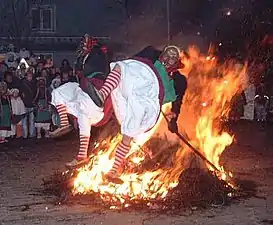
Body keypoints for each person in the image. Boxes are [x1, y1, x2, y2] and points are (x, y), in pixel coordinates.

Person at [51, 36, 187, 180]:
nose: (169, 57)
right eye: (167, 53)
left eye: (173, 56)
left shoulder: (178, 80)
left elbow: (177, 104)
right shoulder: (149, 59)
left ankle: (114, 170)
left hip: (148, 101)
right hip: (128, 95)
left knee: (130, 129)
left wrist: (173, 120)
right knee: (120, 67)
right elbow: (132, 62)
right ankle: (102, 94)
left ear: (177, 61)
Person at [20, 69, 37, 139]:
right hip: (24, 104)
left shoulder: (33, 84)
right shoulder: (22, 84)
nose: (30, 77)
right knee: (25, 121)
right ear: (26, 76)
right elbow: (20, 93)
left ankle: (31, 134)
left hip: (31, 104)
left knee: (31, 120)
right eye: (29, 76)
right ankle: (25, 135)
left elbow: (36, 93)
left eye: (31, 76)